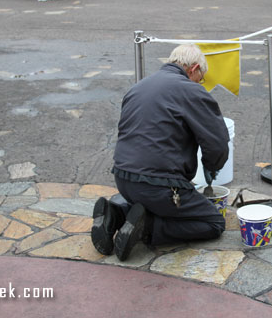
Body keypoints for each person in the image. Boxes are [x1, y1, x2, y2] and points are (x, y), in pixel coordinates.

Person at [92, 44, 229, 261]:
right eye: (200, 78)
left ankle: (116, 215)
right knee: (213, 223)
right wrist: (212, 166)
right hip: (159, 186)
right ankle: (146, 228)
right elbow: (217, 142)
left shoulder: (139, 86)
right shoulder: (191, 90)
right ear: (193, 69)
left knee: (154, 202)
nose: (199, 83)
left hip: (123, 180)